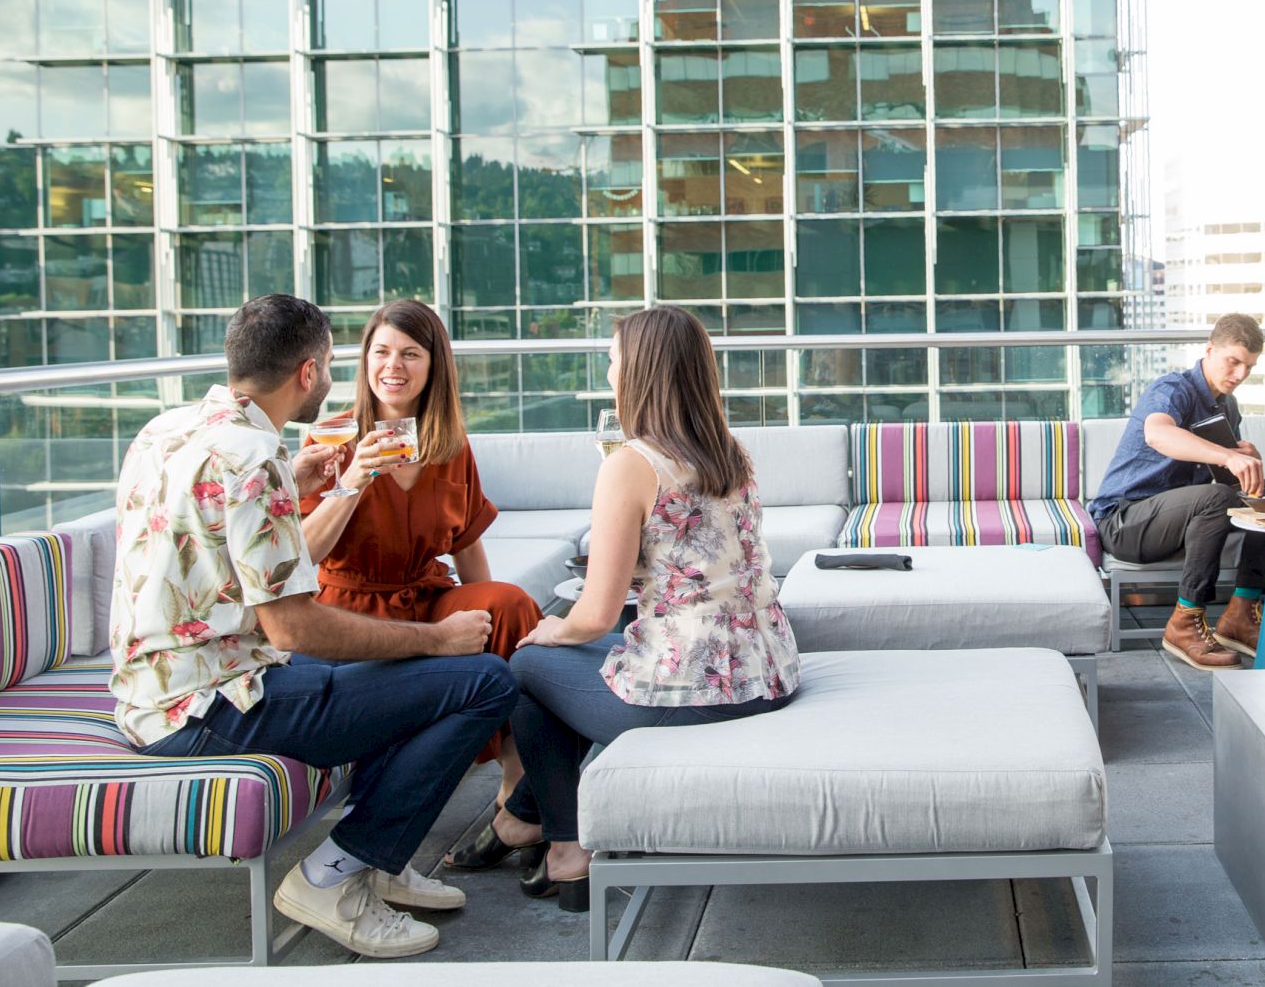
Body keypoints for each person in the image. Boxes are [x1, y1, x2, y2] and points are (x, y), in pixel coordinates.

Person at [107, 294, 516, 960]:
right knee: (482, 680)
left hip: (168, 687)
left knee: (401, 676)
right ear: (308, 372)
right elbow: (293, 627)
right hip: (212, 705)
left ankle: (377, 860)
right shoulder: (251, 461)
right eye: (330, 362)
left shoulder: (170, 428)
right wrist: (434, 638)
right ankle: (333, 873)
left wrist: (293, 483)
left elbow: (221, 554)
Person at [461, 306, 799, 911]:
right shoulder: (730, 452)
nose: (610, 373)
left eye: (614, 362)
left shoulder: (631, 465)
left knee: (526, 664)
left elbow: (595, 612)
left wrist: (552, 628)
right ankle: (524, 819)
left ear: (640, 372)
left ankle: (564, 846)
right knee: (570, 658)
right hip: (768, 674)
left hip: (699, 696)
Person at [299, 299, 543, 828]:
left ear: (434, 366)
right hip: (351, 606)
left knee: (510, 604)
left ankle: (517, 790)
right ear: (364, 361)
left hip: (425, 596)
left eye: (411, 353)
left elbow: (468, 543)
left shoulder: (449, 445)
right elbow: (303, 555)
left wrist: (497, 622)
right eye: (381, 351)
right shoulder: (330, 440)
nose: (394, 366)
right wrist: (354, 478)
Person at [1088, 314, 1265, 670]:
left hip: (1178, 519)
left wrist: (1248, 465)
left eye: (1248, 367)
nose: (1239, 375)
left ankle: (1241, 613)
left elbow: (1224, 478)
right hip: (1125, 521)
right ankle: (1185, 623)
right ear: (1209, 350)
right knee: (1218, 499)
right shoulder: (1173, 389)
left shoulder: (1227, 405)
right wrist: (1227, 455)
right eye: (1232, 362)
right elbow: (1157, 433)